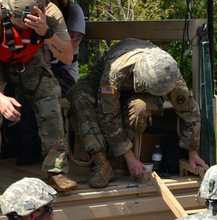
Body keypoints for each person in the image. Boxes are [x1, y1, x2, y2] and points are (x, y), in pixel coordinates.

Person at [0, 0, 77, 199]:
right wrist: (0, 98)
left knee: (50, 100)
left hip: (28, 60)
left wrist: (46, 31)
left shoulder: (51, 14)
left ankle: (56, 172)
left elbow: (67, 57)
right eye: (18, 19)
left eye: (30, 19)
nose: (24, 23)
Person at [69, 38, 209, 189]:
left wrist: (192, 152)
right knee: (79, 96)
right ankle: (102, 163)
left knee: (139, 108)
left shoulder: (169, 73)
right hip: (110, 72)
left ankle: (115, 160)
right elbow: (108, 117)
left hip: (142, 90)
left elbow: (190, 112)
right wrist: (130, 158)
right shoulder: (113, 73)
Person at [14, 0, 86, 165]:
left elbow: (69, 50)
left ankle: (40, 150)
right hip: (38, 68)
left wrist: (46, 34)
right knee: (21, 88)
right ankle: (21, 143)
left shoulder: (73, 11)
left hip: (64, 72)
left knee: (38, 92)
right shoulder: (31, 11)